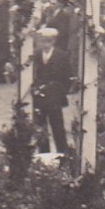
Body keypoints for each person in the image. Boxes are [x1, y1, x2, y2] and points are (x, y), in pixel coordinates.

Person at [31, 25, 76, 154]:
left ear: (53, 41)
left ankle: (62, 154)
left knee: (58, 128)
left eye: (48, 41)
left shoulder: (61, 55)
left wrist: (60, 91)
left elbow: (68, 76)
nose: (45, 44)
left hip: (55, 96)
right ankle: (44, 154)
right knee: (41, 128)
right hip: (39, 96)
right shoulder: (36, 54)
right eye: (43, 41)